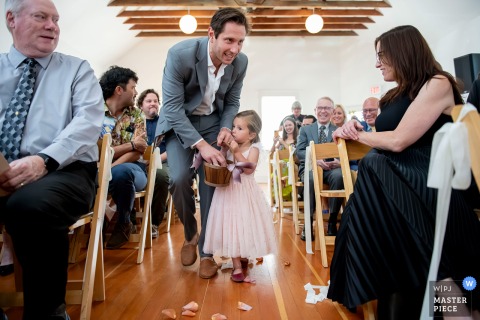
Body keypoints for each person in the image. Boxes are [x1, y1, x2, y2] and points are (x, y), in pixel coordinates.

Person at [328, 25, 480, 319]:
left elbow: (398, 141)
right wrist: (357, 129)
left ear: (404, 52)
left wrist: (360, 137)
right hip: (396, 183)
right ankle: (442, 292)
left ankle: (437, 291)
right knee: (375, 171)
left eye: (382, 55)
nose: (377, 63)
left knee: (374, 165)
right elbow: (384, 138)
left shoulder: (438, 83)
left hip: (433, 178)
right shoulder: (393, 96)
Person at [0, 0, 104, 318]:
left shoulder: (76, 69)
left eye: (56, 19)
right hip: (4, 168)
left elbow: (88, 124)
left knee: (30, 204)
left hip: (64, 171)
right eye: (41, 17)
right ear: (11, 20)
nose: (52, 26)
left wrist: (43, 160)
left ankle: (47, 311)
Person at [155, 7, 249, 279]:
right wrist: (201, 145)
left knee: (213, 184)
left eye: (240, 41)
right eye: (229, 40)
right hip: (178, 123)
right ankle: (190, 234)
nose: (235, 48)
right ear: (212, 34)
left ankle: (208, 253)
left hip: (212, 123)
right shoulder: (180, 55)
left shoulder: (240, 63)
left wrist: (223, 128)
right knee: (179, 179)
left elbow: (232, 102)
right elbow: (172, 108)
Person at [203, 110, 277, 282]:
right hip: (228, 192)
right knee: (231, 226)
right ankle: (236, 266)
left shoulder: (255, 148)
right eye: (233, 126)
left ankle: (243, 255)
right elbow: (220, 163)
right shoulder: (230, 146)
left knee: (245, 225)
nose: (233, 130)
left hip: (245, 193)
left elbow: (249, 168)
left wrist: (236, 151)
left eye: (239, 128)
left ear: (252, 134)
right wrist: (223, 149)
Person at [99, 66, 148, 250]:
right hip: (97, 167)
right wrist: (129, 145)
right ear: (119, 90)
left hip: (132, 169)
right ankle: (99, 222)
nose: (136, 92)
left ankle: (124, 222)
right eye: (133, 87)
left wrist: (109, 167)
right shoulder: (95, 113)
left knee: (121, 172)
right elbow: (96, 150)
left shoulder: (136, 115)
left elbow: (139, 149)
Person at [295, 97, 344, 240]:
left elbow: (344, 151)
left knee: (339, 176)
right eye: (320, 108)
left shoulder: (338, 130)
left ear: (332, 111)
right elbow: (300, 152)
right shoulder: (305, 129)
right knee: (310, 178)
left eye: (327, 108)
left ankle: (332, 221)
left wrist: (338, 161)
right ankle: (308, 223)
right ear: (315, 110)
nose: (323, 111)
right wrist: (315, 160)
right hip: (311, 167)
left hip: (331, 168)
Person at [137, 88, 170, 238]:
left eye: (155, 101)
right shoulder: (136, 122)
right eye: (149, 101)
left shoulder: (165, 121)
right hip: (139, 161)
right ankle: (128, 221)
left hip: (163, 161)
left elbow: (172, 148)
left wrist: (155, 160)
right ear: (141, 105)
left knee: (161, 176)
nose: (153, 104)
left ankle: (154, 223)